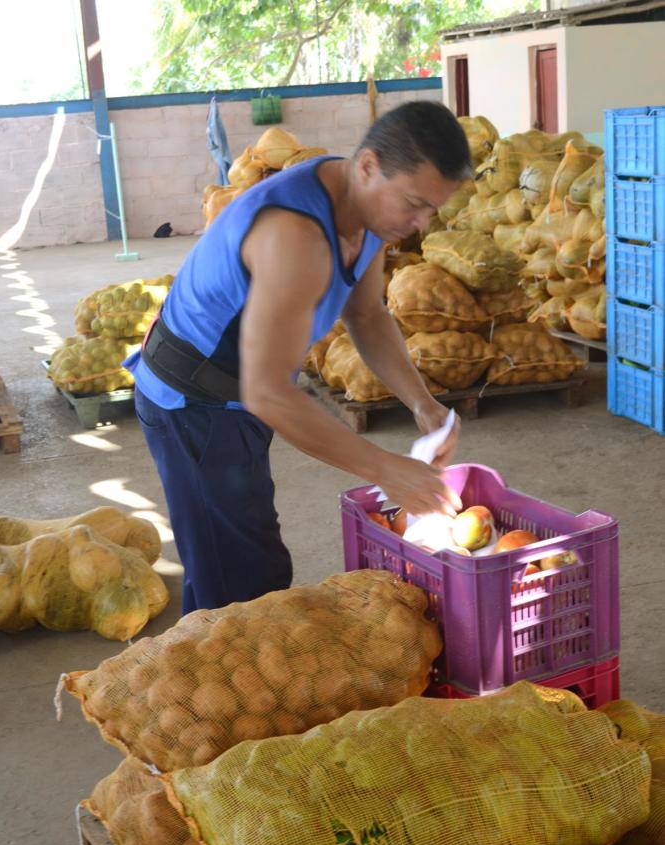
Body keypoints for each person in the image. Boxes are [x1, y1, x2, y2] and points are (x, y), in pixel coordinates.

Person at [126, 101, 472, 614]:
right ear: (369, 166)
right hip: (194, 403)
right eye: (414, 204)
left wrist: (423, 405)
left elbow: (368, 316)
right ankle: (209, 685)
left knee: (240, 558)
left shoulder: (368, 214)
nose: (420, 223)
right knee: (241, 583)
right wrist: (387, 470)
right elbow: (267, 393)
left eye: (431, 210)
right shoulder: (296, 236)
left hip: (237, 395)